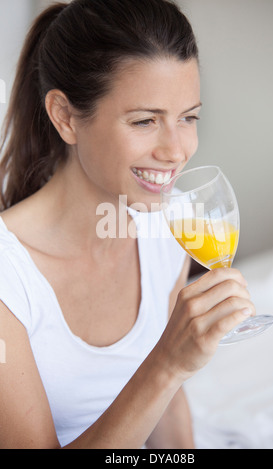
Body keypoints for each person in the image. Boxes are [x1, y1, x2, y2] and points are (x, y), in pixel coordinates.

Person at [0, 0, 255, 449]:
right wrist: (169, 363)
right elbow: (166, 377)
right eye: (144, 120)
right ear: (65, 117)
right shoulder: (10, 277)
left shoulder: (167, 234)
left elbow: (169, 417)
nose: (176, 150)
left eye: (188, 118)